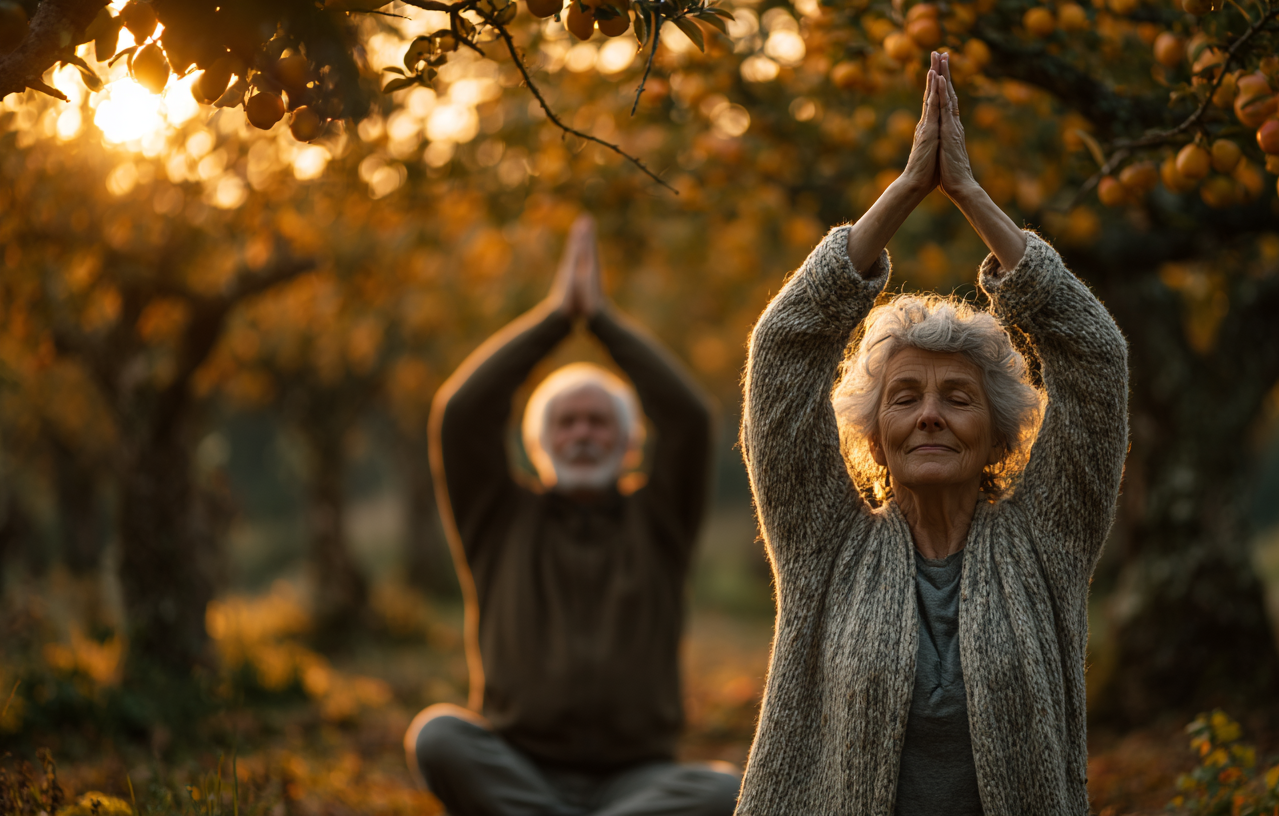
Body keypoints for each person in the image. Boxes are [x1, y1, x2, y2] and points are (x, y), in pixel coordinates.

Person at [735, 53, 1130, 816]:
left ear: (999, 432)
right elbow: (783, 349)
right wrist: (909, 188)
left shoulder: (1048, 539)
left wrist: (971, 196)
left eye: (958, 397)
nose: (929, 414)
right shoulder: (823, 541)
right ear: (874, 434)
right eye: (905, 397)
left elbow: (1095, 356)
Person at [406, 215, 738, 816]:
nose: (582, 433)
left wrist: (603, 322)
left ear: (628, 441)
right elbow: (462, 414)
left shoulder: (660, 519)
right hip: (518, 767)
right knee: (438, 736)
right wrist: (558, 317)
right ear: (540, 442)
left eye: (598, 420)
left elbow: (689, 418)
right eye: (566, 421)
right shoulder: (498, 517)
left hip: (638, 782)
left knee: (723, 789)